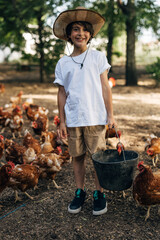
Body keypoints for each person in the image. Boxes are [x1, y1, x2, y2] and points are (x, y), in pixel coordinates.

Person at [53, 7, 116, 216]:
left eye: (84, 30)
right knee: (77, 156)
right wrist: (62, 121)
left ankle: (99, 193)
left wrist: (111, 115)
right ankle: (80, 191)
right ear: (69, 35)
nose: (80, 33)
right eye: (76, 30)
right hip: (73, 118)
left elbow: (106, 88)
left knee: (97, 157)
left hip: (95, 116)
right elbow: (62, 93)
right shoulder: (63, 63)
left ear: (90, 34)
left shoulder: (98, 57)